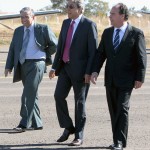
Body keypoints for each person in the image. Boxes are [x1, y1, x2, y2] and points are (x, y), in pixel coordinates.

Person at [91, 3, 147, 150]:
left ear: (122, 16)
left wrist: (140, 77)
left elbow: (141, 57)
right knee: (114, 110)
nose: (109, 16)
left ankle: (120, 142)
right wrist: (95, 71)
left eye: (113, 14)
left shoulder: (136, 33)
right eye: (110, 14)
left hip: (127, 79)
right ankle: (117, 140)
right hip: (110, 79)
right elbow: (100, 54)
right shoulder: (107, 33)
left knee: (122, 109)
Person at [49, 0, 98, 146]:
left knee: (79, 103)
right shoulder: (65, 23)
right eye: (67, 6)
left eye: (71, 7)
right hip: (65, 68)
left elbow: (93, 52)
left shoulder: (89, 25)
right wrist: (54, 67)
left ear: (80, 9)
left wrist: (89, 72)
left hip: (82, 72)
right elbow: (61, 47)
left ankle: (79, 136)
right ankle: (69, 127)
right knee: (58, 96)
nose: (67, 9)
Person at [5, 7, 57, 132]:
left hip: (36, 65)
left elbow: (55, 45)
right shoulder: (18, 31)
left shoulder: (42, 29)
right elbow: (13, 49)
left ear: (33, 17)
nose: (23, 19)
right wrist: (8, 66)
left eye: (26, 16)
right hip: (22, 65)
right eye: (22, 17)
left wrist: (44, 54)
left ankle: (24, 123)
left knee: (27, 95)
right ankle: (37, 123)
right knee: (32, 94)